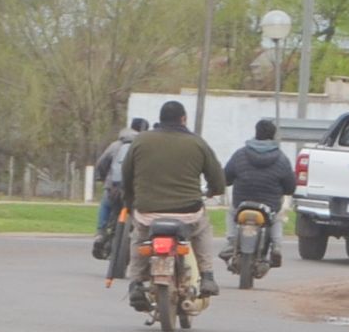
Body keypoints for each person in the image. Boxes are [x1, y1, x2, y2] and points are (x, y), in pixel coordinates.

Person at [123, 100, 225, 309]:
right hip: (188, 213)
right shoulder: (197, 143)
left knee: (139, 237)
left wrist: (131, 200)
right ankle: (207, 275)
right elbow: (218, 180)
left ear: (160, 120)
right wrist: (214, 190)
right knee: (202, 230)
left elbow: (126, 176)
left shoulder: (141, 141)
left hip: (148, 212)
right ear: (183, 119)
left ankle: (135, 282)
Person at [219, 119, 297, 268]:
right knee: (277, 217)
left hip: (241, 203)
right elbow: (290, 187)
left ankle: (231, 241)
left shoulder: (240, 154)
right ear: (273, 136)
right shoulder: (281, 159)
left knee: (231, 213)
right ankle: (276, 246)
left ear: (256, 133)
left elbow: (226, 177)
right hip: (269, 205)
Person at [94, 117, 148, 236]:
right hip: (135, 189)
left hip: (114, 186)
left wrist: (101, 178)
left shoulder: (116, 145)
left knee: (106, 204)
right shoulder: (144, 147)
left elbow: (102, 163)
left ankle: (100, 231)